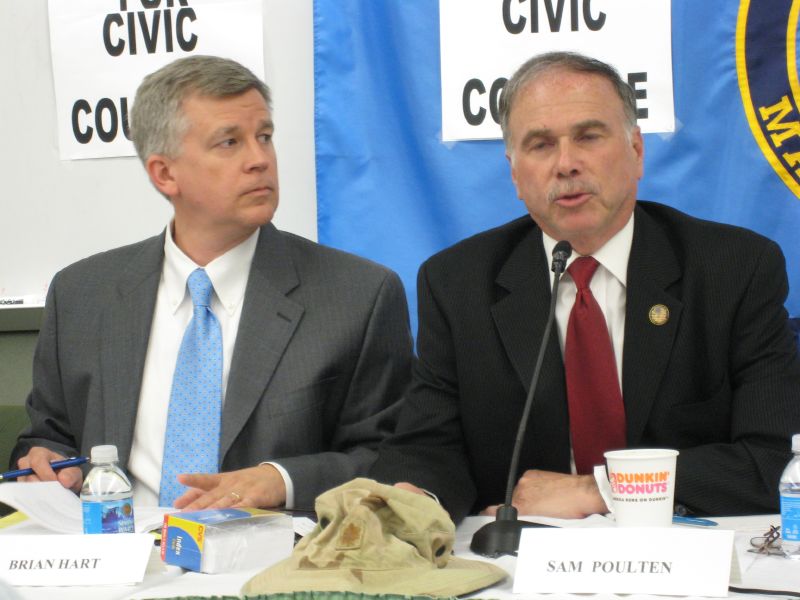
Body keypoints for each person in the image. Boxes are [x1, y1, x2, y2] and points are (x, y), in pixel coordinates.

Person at [371, 51, 800, 522]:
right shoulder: (457, 282)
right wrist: (417, 503)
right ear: (515, 174)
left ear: (637, 151)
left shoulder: (734, 269)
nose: (566, 164)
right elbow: (429, 446)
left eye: (588, 136)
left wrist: (601, 490)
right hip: (522, 566)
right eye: (539, 145)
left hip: (688, 552)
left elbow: (776, 458)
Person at [12, 55, 413, 511]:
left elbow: (393, 458)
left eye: (264, 137)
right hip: (118, 558)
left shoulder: (357, 295)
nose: (260, 160)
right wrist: (45, 462)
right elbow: (49, 437)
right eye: (229, 143)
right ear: (165, 174)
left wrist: (283, 480)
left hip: (273, 561)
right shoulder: (82, 294)